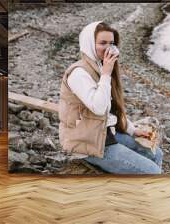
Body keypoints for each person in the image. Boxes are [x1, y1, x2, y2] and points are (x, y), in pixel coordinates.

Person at [58, 21, 163, 174]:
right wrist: (106, 73)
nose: (109, 48)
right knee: (152, 171)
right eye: (102, 43)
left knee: (156, 153)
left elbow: (110, 110)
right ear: (89, 44)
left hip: (104, 134)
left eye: (112, 43)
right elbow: (99, 108)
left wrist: (133, 130)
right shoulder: (79, 73)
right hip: (88, 143)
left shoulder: (99, 66)